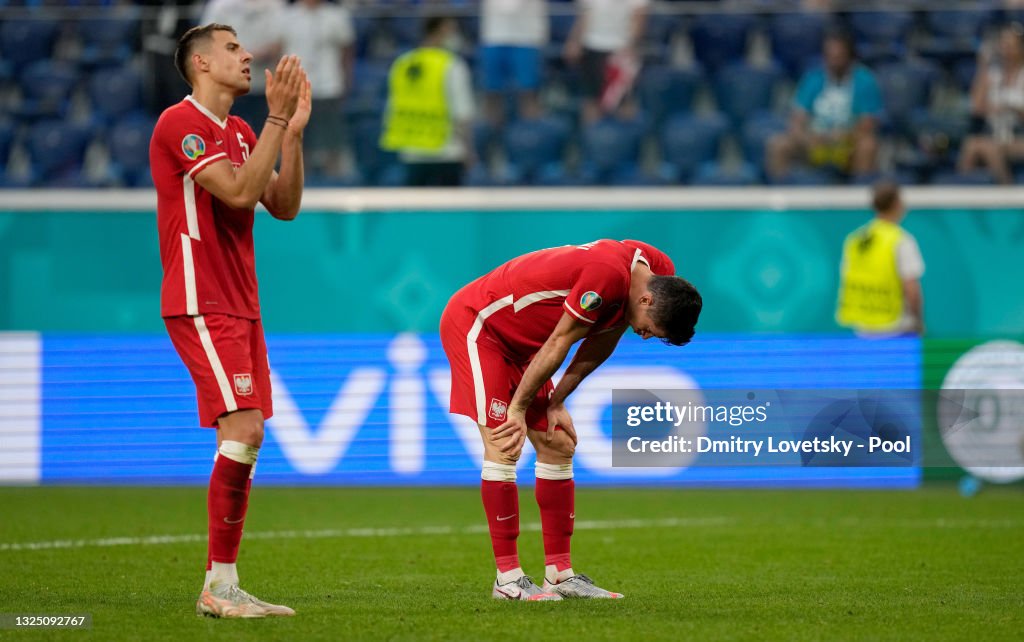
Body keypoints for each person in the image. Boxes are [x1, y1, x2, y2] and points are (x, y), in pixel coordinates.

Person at [149, 23, 310, 618]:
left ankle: (223, 583)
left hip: (241, 302)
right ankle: (219, 586)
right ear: (199, 63)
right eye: (233, 49)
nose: (247, 57)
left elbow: (283, 206)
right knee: (244, 430)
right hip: (200, 296)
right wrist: (274, 120)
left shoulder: (243, 131)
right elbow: (239, 194)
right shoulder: (179, 124)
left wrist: (290, 135)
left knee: (243, 435)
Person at [439, 239, 701, 600]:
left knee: (558, 441)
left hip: (525, 347)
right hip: (481, 326)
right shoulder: (606, 276)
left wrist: (557, 400)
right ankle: (508, 579)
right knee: (504, 442)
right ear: (647, 300)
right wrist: (516, 410)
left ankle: (559, 575)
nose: (644, 336)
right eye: (648, 330)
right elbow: (563, 339)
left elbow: (601, 341)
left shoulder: (656, 271)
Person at [766, 29, 881, 181]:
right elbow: (796, 120)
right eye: (829, 56)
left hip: (848, 144)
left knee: (868, 146)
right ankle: (779, 199)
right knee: (778, 144)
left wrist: (844, 136)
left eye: (838, 57)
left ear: (849, 56)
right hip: (814, 142)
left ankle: (858, 197)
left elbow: (868, 124)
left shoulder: (865, 80)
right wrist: (808, 138)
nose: (833, 61)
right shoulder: (813, 78)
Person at [380, 15, 475, 187]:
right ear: (440, 31)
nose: (455, 36)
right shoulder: (452, 65)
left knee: (413, 212)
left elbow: (391, 108)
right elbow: (462, 115)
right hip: (448, 152)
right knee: (449, 212)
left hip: (412, 153)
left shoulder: (402, 63)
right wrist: (469, 151)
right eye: (452, 30)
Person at [836, 181, 924, 337]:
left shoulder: (855, 239)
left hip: (862, 325)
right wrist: (917, 320)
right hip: (895, 326)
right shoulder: (900, 240)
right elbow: (911, 286)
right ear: (897, 204)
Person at [280, 0, 355, 178]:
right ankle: (299, 183)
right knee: (298, 138)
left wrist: (346, 80)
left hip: (329, 85)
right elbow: (279, 51)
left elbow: (347, 52)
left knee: (332, 140)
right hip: (296, 86)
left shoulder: (336, 15)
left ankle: (335, 182)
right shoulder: (287, 15)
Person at [957, 23, 1024, 184]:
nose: (1006, 50)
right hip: (996, 134)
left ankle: (1007, 196)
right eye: (1003, 45)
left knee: (992, 148)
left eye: (1011, 46)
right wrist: (982, 67)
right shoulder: (993, 74)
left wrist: (1013, 109)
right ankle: (961, 199)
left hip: (1019, 137)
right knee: (970, 145)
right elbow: (976, 107)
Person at [200, 0, 284, 128]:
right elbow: (206, 41)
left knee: (263, 138)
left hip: (264, 86)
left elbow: (281, 41)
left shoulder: (275, 5)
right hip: (228, 88)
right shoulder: (220, 6)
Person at [563, 0, 648, 124]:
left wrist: (631, 45)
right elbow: (584, 15)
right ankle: (591, 138)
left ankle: (625, 139)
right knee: (591, 98)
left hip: (620, 49)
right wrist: (575, 41)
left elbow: (640, 15)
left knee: (623, 101)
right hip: (592, 46)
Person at [479, 0, 547, 125]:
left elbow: (512, 7)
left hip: (527, 38)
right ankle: (490, 137)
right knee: (491, 93)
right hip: (494, 36)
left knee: (528, 93)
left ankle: (531, 138)